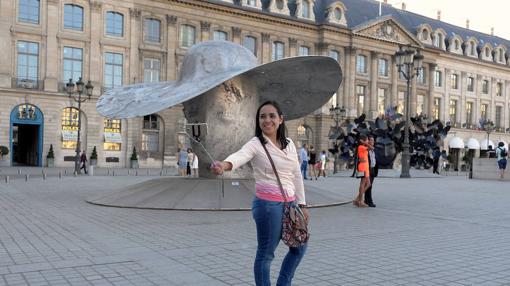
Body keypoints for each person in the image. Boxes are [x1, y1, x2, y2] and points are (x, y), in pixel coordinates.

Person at [211, 101, 309, 286]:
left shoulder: (289, 144)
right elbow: (239, 156)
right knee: (266, 254)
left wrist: (302, 204)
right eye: (262, 116)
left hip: (291, 205)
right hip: (268, 206)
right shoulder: (256, 144)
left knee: (300, 248)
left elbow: (296, 175)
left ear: (281, 119)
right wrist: (223, 165)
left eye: (272, 116)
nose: (267, 120)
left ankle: (283, 283)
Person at [352, 135, 371, 207]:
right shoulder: (361, 147)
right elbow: (371, 147)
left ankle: (357, 199)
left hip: (365, 167)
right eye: (367, 140)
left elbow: (370, 148)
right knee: (363, 183)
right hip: (363, 167)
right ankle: (360, 201)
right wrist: (365, 143)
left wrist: (365, 143)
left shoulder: (363, 147)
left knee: (368, 184)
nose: (368, 141)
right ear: (362, 141)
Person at [364, 135, 378, 207]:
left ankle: (366, 200)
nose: (373, 142)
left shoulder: (373, 150)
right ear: (368, 141)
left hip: (372, 169)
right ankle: (369, 201)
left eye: (373, 140)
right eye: (372, 140)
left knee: (369, 186)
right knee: (368, 186)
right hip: (367, 169)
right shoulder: (366, 150)